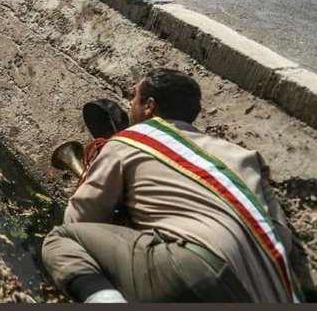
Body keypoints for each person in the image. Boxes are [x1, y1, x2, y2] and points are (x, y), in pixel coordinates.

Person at [41, 68, 308, 303]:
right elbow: (281, 236)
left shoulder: (133, 139)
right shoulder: (245, 157)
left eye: (134, 97)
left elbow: (78, 221)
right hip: (272, 291)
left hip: (192, 267)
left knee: (61, 241)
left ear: (149, 106)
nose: (130, 104)